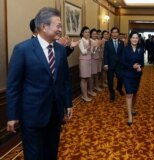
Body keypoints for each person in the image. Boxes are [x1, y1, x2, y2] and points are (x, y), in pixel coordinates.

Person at [6, 7, 72, 160]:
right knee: (34, 155)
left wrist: (68, 103)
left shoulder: (61, 50)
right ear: (44, 27)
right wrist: (12, 115)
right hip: (32, 115)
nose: (61, 30)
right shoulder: (23, 49)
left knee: (51, 152)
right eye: (58, 25)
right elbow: (13, 86)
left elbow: (64, 80)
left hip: (55, 114)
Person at [120, 31, 144, 126]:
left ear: (138, 40)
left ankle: (133, 108)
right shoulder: (125, 49)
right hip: (127, 74)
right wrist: (132, 66)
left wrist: (139, 65)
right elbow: (122, 62)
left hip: (137, 75)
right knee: (129, 93)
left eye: (136, 38)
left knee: (135, 92)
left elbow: (142, 62)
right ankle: (130, 115)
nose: (135, 39)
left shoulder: (140, 49)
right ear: (130, 39)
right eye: (133, 38)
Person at [104, 27, 124, 101]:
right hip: (110, 64)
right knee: (110, 80)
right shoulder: (107, 43)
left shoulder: (121, 43)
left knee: (121, 78)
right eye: (113, 32)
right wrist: (105, 64)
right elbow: (105, 54)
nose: (115, 34)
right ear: (111, 33)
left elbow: (122, 54)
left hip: (119, 65)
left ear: (118, 33)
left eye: (116, 32)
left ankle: (119, 88)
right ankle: (112, 93)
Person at [78, 26, 92, 102]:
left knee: (86, 78)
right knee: (83, 79)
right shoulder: (80, 41)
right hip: (83, 61)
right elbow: (83, 52)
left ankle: (85, 94)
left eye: (88, 32)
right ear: (82, 33)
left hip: (89, 60)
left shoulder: (88, 40)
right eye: (86, 32)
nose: (87, 33)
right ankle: (84, 96)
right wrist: (88, 48)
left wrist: (93, 48)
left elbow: (91, 52)